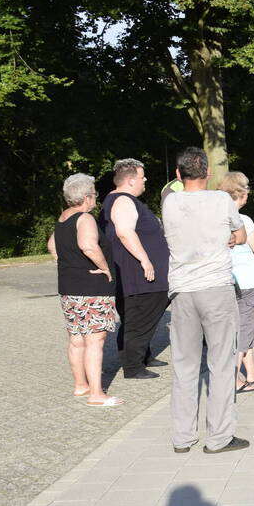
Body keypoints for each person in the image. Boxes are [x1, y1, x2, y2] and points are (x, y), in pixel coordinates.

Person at [163, 147, 249, 454]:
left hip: (182, 291)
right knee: (221, 364)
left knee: (184, 366)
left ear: (178, 174)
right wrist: (231, 237)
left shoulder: (170, 202)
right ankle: (219, 437)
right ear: (208, 173)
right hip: (215, 288)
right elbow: (240, 235)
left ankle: (182, 437)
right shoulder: (221, 200)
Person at [47, 173, 123, 407]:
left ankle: (81, 385)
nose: (95, 199)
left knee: (77, 339)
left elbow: (52, 245)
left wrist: (68, 261)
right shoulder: (85, 218)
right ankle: (97, 394)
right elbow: (89, 246)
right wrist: (105, 269)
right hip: (91, 288)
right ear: (88, 197)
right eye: (95, 195)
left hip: (69, 287)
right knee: (95, 341)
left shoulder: (63, 218)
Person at [99, 158, 170, 380]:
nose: (145, 179)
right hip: (138, 276)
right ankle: (133, 366)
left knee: (136, 317)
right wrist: (145, 260)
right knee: (138, 318)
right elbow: (125, 232)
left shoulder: (120, 199)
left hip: (135, 276)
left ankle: (143, 356)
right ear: (130, 181)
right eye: (142, 176)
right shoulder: (122, 201)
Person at [218, 171, 254, 394]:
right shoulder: (244, 221)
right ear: (239, 195)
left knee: (240, 326)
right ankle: (232, 378)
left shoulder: (217, 218)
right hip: (248, 281)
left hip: (228, 279)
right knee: (245, 328)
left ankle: (251, 370)